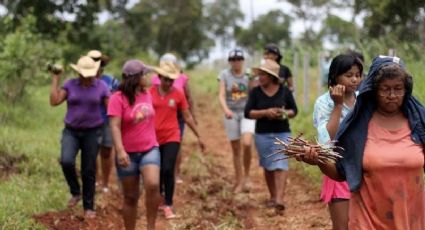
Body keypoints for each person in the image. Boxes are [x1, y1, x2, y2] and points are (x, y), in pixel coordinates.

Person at [299, 56, 425, 229]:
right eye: (385, 89)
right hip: (368, 219)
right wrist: (318, 159)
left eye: (398, 89)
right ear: (373, 90)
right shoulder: (358, 125)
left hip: (410, 217)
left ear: (406, 90)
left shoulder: (419, 125)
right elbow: (340, 172)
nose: (392, 95)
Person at [49, 56, 109, 218]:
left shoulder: (102, 86)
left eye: (90, 73)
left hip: (93, 132)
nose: (87, 76)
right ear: (79, 72)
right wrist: (55, 78)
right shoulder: (70, 84)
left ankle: (89, 207)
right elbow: (54, 101)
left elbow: (110, 109)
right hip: (71, 131)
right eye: (84, 73)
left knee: (88, 169)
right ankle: (76, 192)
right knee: (66, 160)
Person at [108, 60, 160, 230]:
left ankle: (150, 226)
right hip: (127, 153)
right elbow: (114, 126)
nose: (147, 77)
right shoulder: (117, 98)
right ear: (135, 78)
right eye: (144, 74)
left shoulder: (148, 93)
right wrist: (121, 151)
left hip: (150, 148)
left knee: (152, 184)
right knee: (131, 197)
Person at [313, 54, 363, 230]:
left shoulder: (363, 100)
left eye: (358, 75)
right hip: (338, 169)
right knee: (342, 226)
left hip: (363, 170)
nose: (355, 79)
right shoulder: (324, 102)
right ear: (335, 76)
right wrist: (338, 105)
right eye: (349, 75)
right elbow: (327, 140)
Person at [150, 61, 205, 219]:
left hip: (172, 135)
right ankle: (159, 198)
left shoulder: (178, 94)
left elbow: (186, 116)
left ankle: (168, 204)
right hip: (153, 138)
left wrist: (199, 136)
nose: (168, 83)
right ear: (159, 77)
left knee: (168, 168)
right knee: (158, 170)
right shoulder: (149, 92)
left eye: (171, 80)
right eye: (165, 79)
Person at [244, 59, 298, 210]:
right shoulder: (255, 92)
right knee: (268, 166)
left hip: (282, 132)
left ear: (272, 76)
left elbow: (294, 110)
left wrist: (283, 113)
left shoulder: (284, 91)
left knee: (281, 163)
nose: (260, 77)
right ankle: (273, 196)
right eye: (259, 74)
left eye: (263, 74)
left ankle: (280, 199)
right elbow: (248, 113)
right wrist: (265, 112)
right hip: (262, 134)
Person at [151, 53, 196, 184]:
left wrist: (193, 115)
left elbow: (188, 97)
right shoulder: (154, 80)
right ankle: (158, 173)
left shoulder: (182, 78)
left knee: (176, 144)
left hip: (179, 115)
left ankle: (176, 172)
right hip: (161, 115)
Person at [218, 48, 256, 193]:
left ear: (243, 60)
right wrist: (226, 109)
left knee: (246, 143)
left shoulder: (248, 75)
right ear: (230, 62)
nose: (236, 62)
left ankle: (247, 176)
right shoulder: (224, 75)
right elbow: (221, 95)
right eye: (233, 60)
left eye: (239, 59)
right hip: (231, 113)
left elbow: (253, 94)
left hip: (246, 112)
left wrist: (253, 80)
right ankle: (239, 180)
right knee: (235, 149)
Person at [87, 50, 120, 193]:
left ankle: (105, 183)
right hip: (90, 121)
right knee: (92, 151)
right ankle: (94, 180)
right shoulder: (84, 81)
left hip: (107, 120)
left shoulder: (111, 81)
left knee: (106, 151)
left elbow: (120, 98)